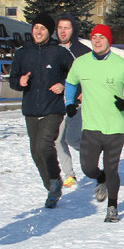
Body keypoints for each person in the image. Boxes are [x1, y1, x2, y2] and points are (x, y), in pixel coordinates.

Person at [64, 24, 124, 222]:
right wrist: (69, 102)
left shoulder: (121, 64)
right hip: (90, 126)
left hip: (116, 127)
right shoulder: (81, 63)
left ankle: (112, 207)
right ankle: (100, 179)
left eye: (102, 37)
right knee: (87, 167)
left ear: (109, 41)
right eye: (94, 37)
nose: (97, 41)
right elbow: (71, 83)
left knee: (111, 167)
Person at [9, 14, 73, 208]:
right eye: (36, 27)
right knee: (35, 152)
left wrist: (63, 85)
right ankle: (52, 187)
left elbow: (75, 75)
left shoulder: (59, 52)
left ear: (49, 32)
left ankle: (55, 178)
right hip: (30, 109)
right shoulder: (22, 53)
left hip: (53, 108)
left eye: (43, 29)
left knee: (44, 145)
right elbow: (12, 80)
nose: (38, 31)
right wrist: (19, 83)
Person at [54, 14, 91, 189]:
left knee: (72, 139)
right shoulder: (52, 49)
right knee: (58, 139)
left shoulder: (83, 52)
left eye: (66, 28)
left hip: (77, 103)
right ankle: (69, 175)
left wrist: (85, 91)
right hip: (56, 103)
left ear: (73, 30)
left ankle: (92, 154)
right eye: (60, 27)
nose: (63, 31)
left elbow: (92, 75)